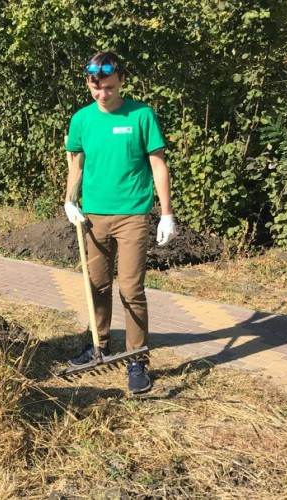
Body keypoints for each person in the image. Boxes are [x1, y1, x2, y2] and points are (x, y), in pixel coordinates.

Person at [63, 51, 177, 394]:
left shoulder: (141, 115)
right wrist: (69, 200)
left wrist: (167, 212)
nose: (103, 94)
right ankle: (98, 345)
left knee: (130, 289)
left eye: (109, 87)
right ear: (88, 83)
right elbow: (76, 164)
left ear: (120, 81)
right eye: (96, 88)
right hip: (94, 216)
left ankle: (137, 360)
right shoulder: (81, 119)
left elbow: (158, 165)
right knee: (96, 285)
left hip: (132, 215)